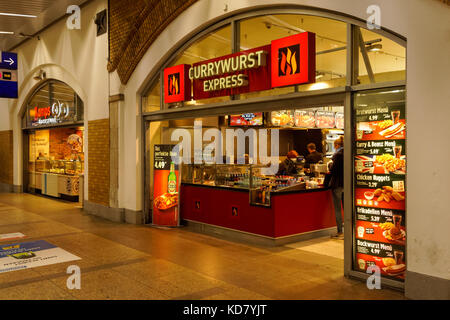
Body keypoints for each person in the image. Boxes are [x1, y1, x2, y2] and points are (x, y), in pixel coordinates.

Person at [329, 136, 344, 239]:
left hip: (337, 184)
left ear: (337, 145)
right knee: (347, 208)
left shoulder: (337, 155)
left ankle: (340, 232)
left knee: (338, 209)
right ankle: (349, 231)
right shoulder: (349, 152)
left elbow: (334, 170)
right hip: (346, 184)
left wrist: (330, 165)